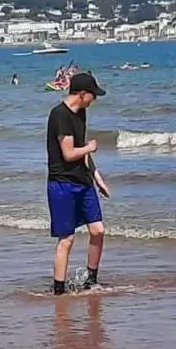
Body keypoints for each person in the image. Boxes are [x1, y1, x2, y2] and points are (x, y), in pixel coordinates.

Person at [46, 73, 110, 296]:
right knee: (67, 239)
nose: (95, 100)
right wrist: (90, 147)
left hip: (83, 181)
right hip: (62, 183)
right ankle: (59, 291)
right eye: (93, 95)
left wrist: (97, 177)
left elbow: (81, 151)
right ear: (82, 94)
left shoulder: (81, 113)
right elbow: (70, 153)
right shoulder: (59, 115)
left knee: (98, 230)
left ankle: (90, 280)